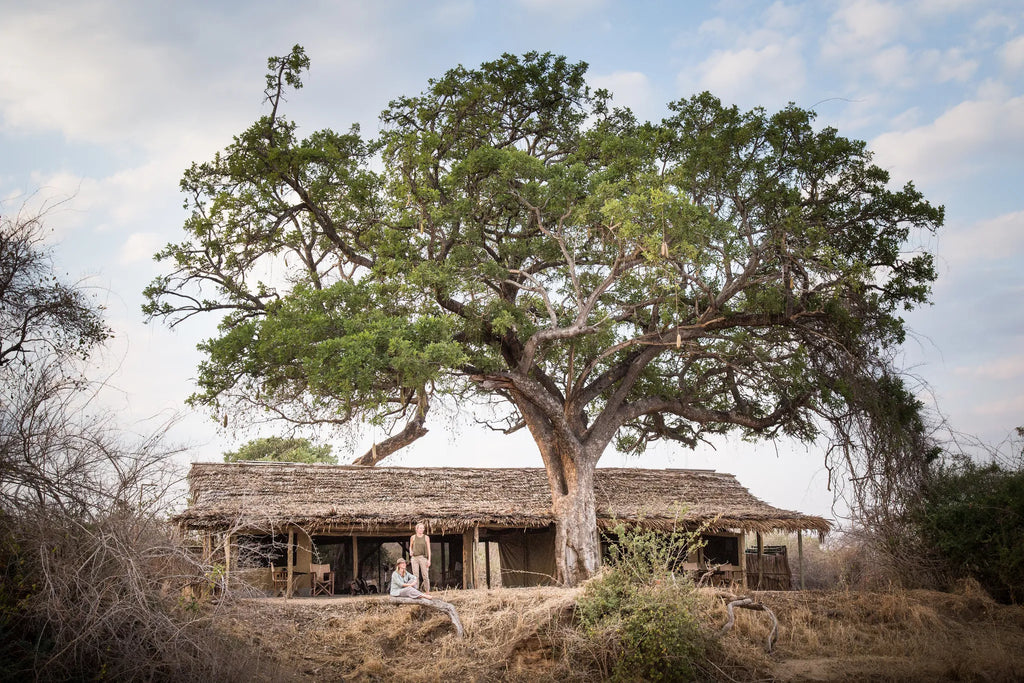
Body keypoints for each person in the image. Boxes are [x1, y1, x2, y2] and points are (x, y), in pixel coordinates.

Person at [409, 522, 431, 591]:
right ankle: (416, 590)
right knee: (415, 576)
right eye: (420, 528)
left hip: (423, 557)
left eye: (423, 528)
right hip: (414, 558)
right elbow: (410, 546)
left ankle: (427, 590)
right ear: (417, 529)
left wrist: (429, 560)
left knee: (425, 575)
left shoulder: (426, 537)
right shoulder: (413, 537)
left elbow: (429, 549)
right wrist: (410, 551)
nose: (422, 529)